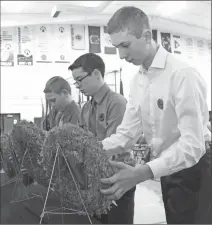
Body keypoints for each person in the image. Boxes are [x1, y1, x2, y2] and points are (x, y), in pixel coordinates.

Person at [99, 6, 211, 224]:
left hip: (196, 169)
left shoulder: (182, 74)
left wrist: (143, 172)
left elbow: (193, 144)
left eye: (125, 45)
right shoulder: (137, 81)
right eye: (116, 48)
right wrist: (93, 149)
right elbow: (126, 134)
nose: (121, 55)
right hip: (166, 167)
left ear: (147, 36)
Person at [68, 53, 136, 224]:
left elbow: (116, 144)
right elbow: (83, 141)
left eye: (80, 80)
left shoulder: (117, 103)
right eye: (75, 82)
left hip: (118, 178)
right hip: (95, 180)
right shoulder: (85, 108)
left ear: (97, 74)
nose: (78, 86)